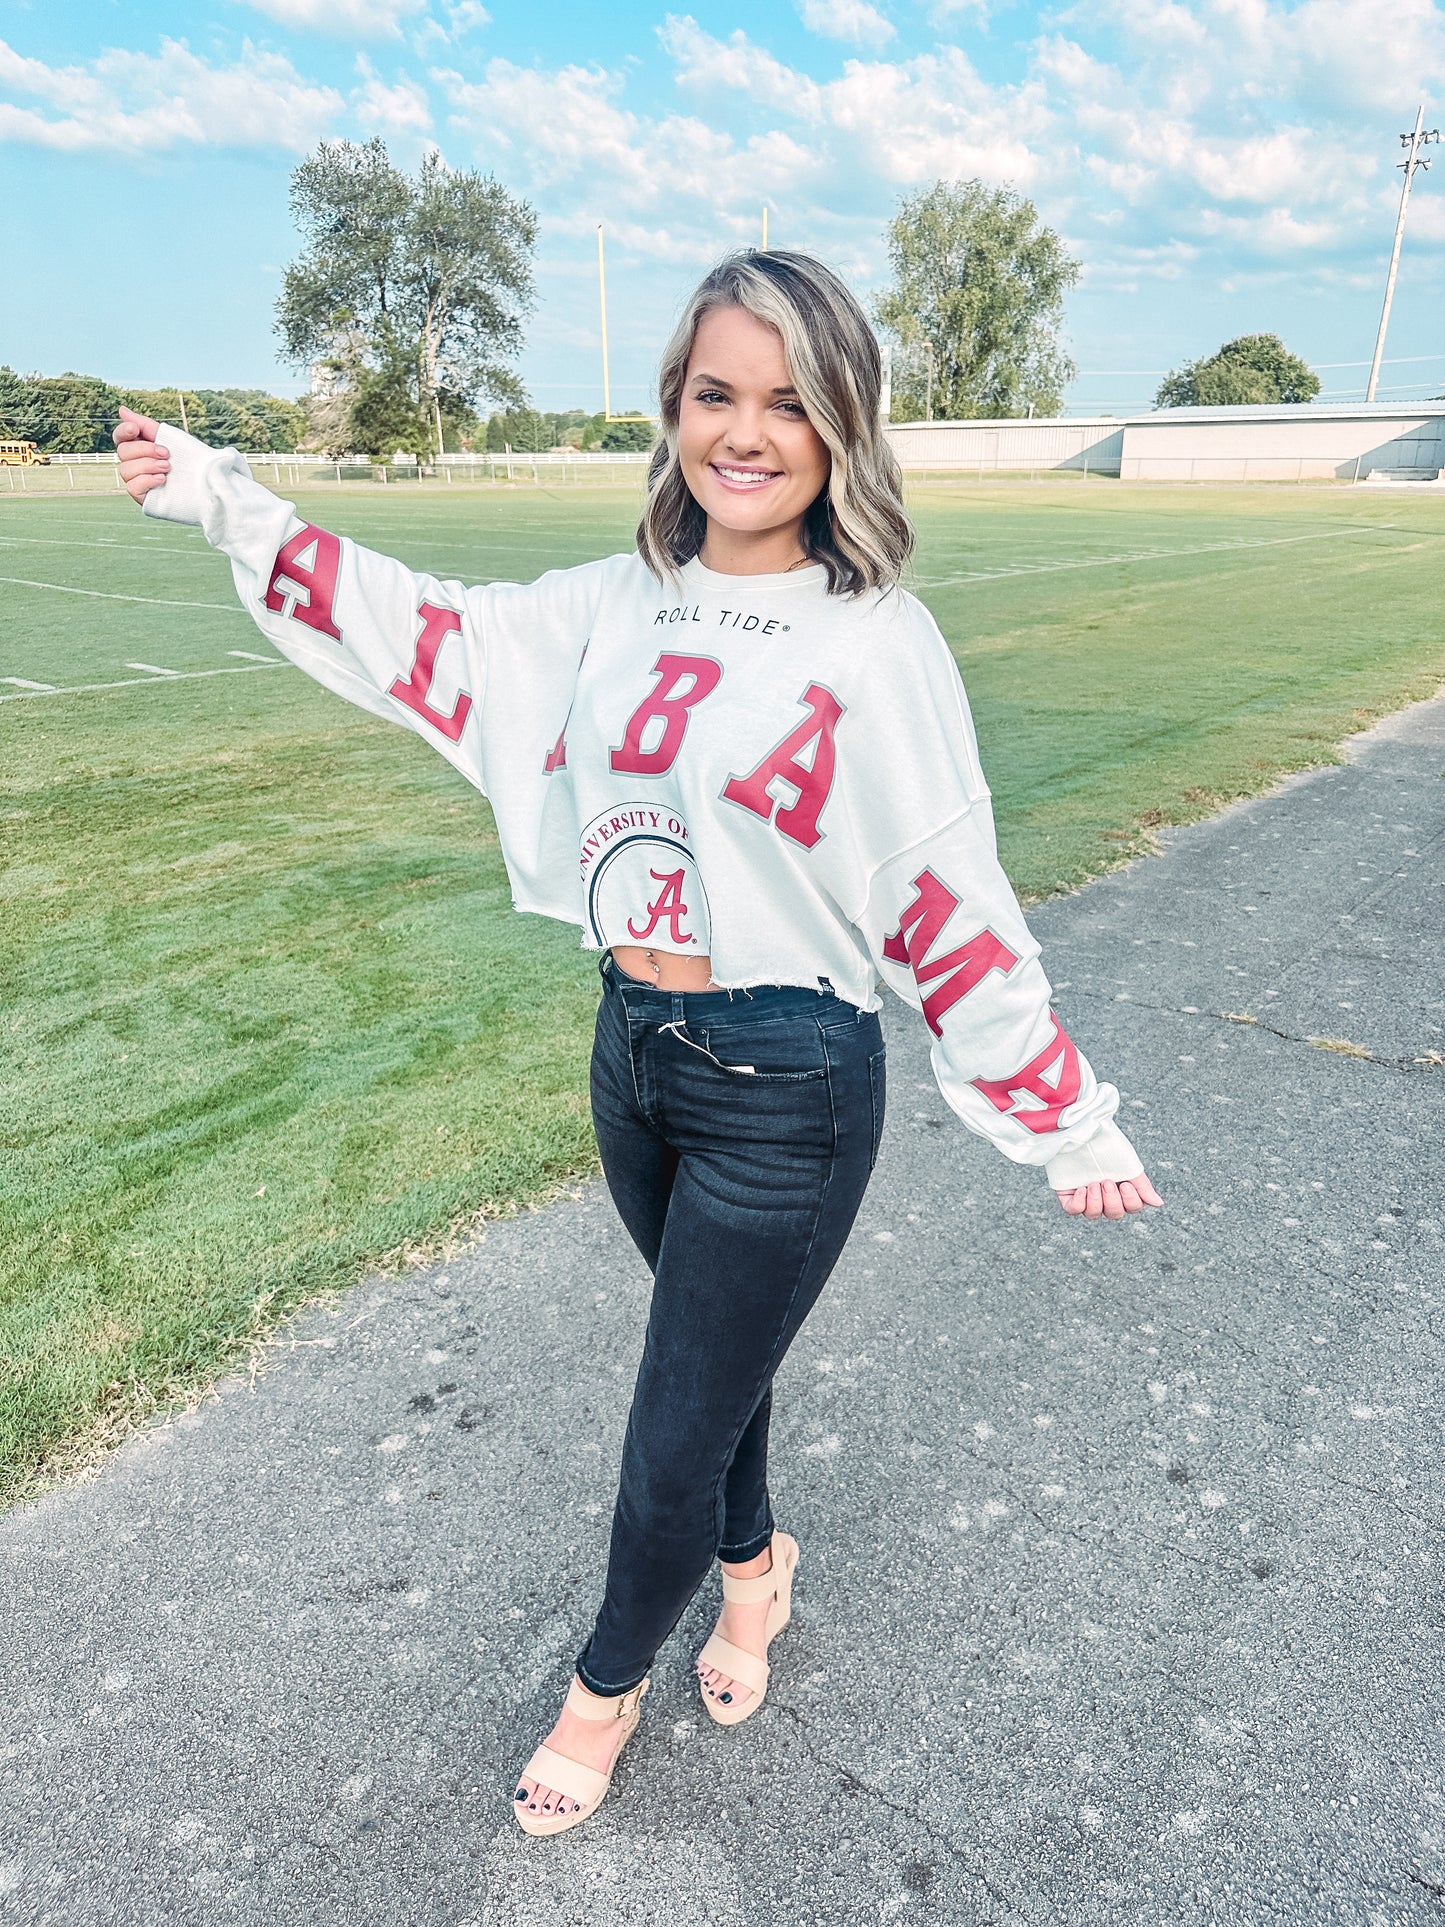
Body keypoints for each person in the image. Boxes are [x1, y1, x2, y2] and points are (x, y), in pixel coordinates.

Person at [114, 248, 1161, 1838]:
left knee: (669, 1430)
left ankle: (600, 1692)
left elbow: (947, 892)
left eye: (788, 400)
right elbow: (424, 630)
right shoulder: (611, 603)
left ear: (843, 427)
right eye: (713, 394)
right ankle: (758, 1577)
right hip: (634, 1055)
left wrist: (1062, 1116)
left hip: (788, 1087)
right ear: (672, 412)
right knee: (715, 1376)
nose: (745, 432)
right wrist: (223, 497)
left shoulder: (879, 641)